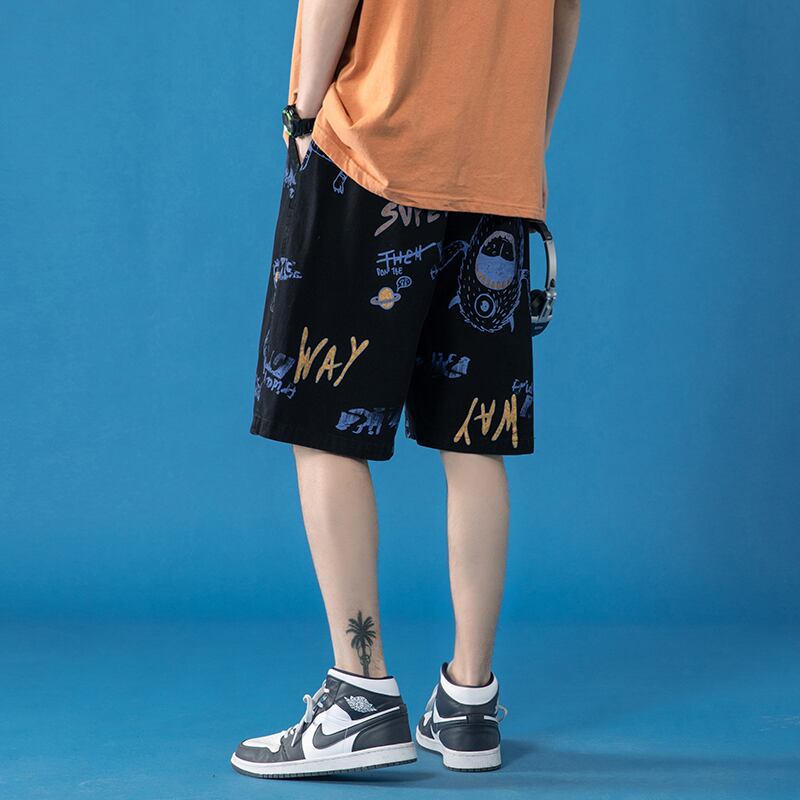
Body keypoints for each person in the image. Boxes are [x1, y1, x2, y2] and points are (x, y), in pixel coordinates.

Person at [232, 0, 580, 779]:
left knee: (321, 419)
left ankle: (360, 697)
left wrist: (302, 112)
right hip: (496, 174)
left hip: (370, 151)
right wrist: (521, 144)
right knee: (475, 438)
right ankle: (468, 704)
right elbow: (564, 15)